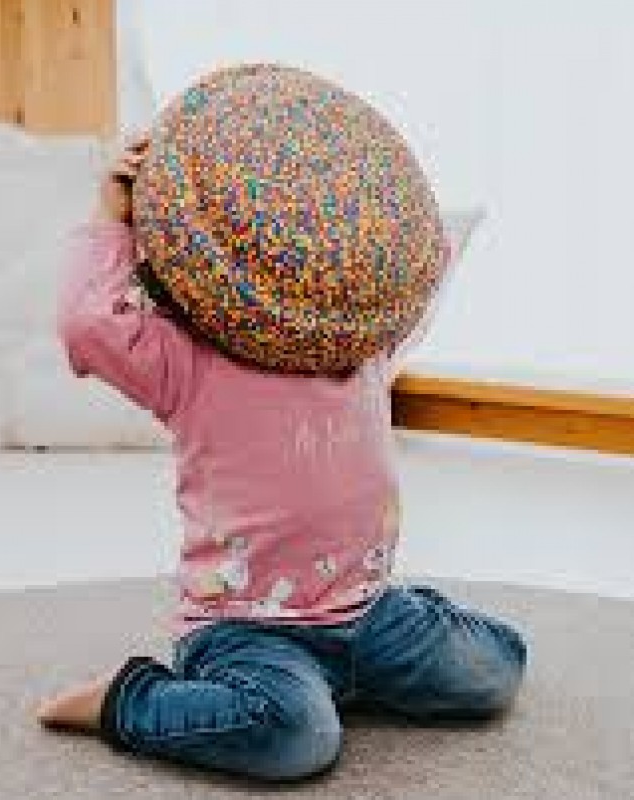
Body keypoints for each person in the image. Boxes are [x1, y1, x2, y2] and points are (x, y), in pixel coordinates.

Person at [34, 136, 528, 783]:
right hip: (249, 626)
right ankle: (128, 701)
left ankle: (352, 670)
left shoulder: (359, 344)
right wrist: (110, 217)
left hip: (365, 610)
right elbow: (86, 325)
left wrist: (383, 188)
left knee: (499, 666)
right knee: (296, 740)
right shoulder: (187, 362)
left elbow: (418, 276)